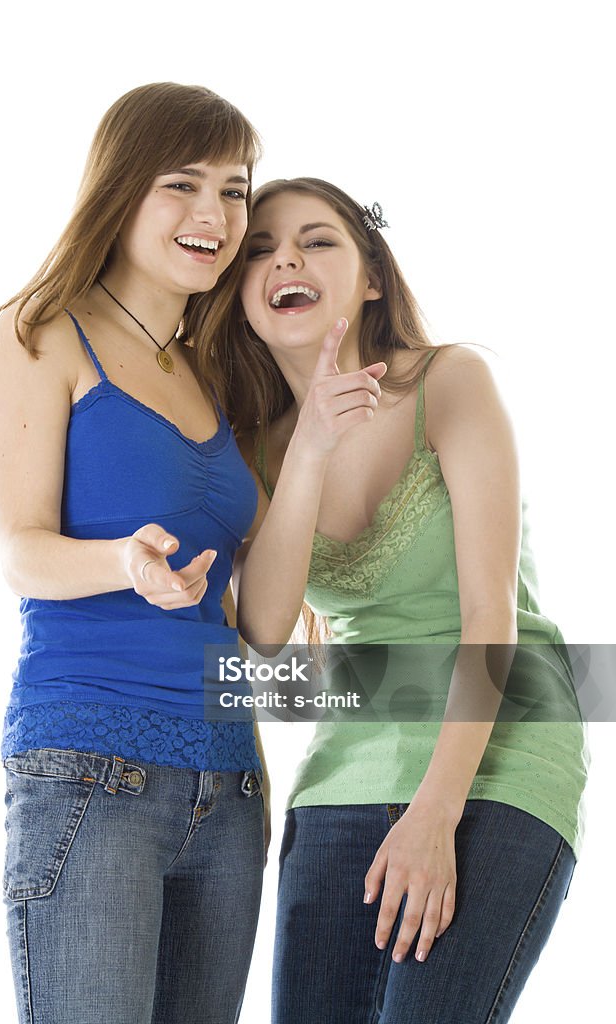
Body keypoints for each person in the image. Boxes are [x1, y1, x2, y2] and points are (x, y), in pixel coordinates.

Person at [225, 177, 589, 1024]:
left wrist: (436, 814)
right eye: (259, 249)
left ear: (372, 278)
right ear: (240, 295)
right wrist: (309, 447)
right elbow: (267, 634)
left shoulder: (450, 383)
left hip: (497, 754)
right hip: (344, 768)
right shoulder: (248, 449)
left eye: (318, 240)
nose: (286, 257)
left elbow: (490, 615)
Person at [0, 83, 268, 1024]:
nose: (213, 215)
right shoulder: (41, 332)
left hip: (231, 780)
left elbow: (262, 618)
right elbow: (21, 551)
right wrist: (123, 564)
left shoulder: (219, 371)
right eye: (181, 184)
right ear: (120, 189)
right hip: (92, 769)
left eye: (234, 189)